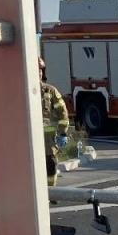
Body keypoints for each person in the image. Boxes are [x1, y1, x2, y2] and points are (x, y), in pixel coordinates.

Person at [38, 58, 70, 186]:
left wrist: (63, 133)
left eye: (41, 70)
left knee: (50, 162)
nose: (39, 73)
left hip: (48, 139)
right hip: (27, 137)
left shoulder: (50, 91)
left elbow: (62, 112)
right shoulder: (22, 90)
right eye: (37, 70)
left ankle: (51, 191)